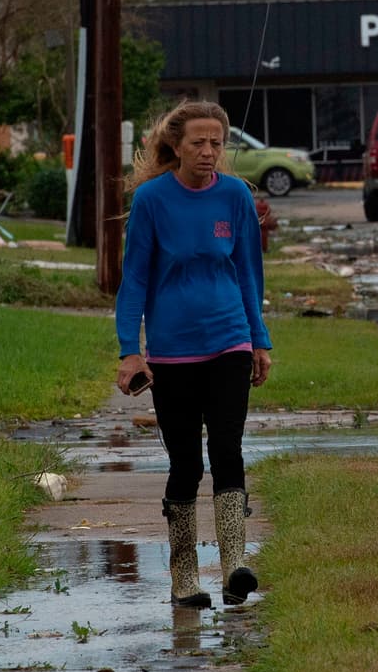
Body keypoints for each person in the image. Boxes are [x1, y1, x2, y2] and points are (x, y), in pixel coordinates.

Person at [115, 100, 273, 608]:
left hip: (229, 341)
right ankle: (184, 576)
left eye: (217, 143)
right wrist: (129, 352)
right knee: (186, 463)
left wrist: (259, 338)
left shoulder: (234, 197)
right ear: (176, 146)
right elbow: (135, 277)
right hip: (172, 353)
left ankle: (234, 566)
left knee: (228, 449)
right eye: (198, 143)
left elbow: (249, 272)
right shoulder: (152, 201)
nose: (208, 152)